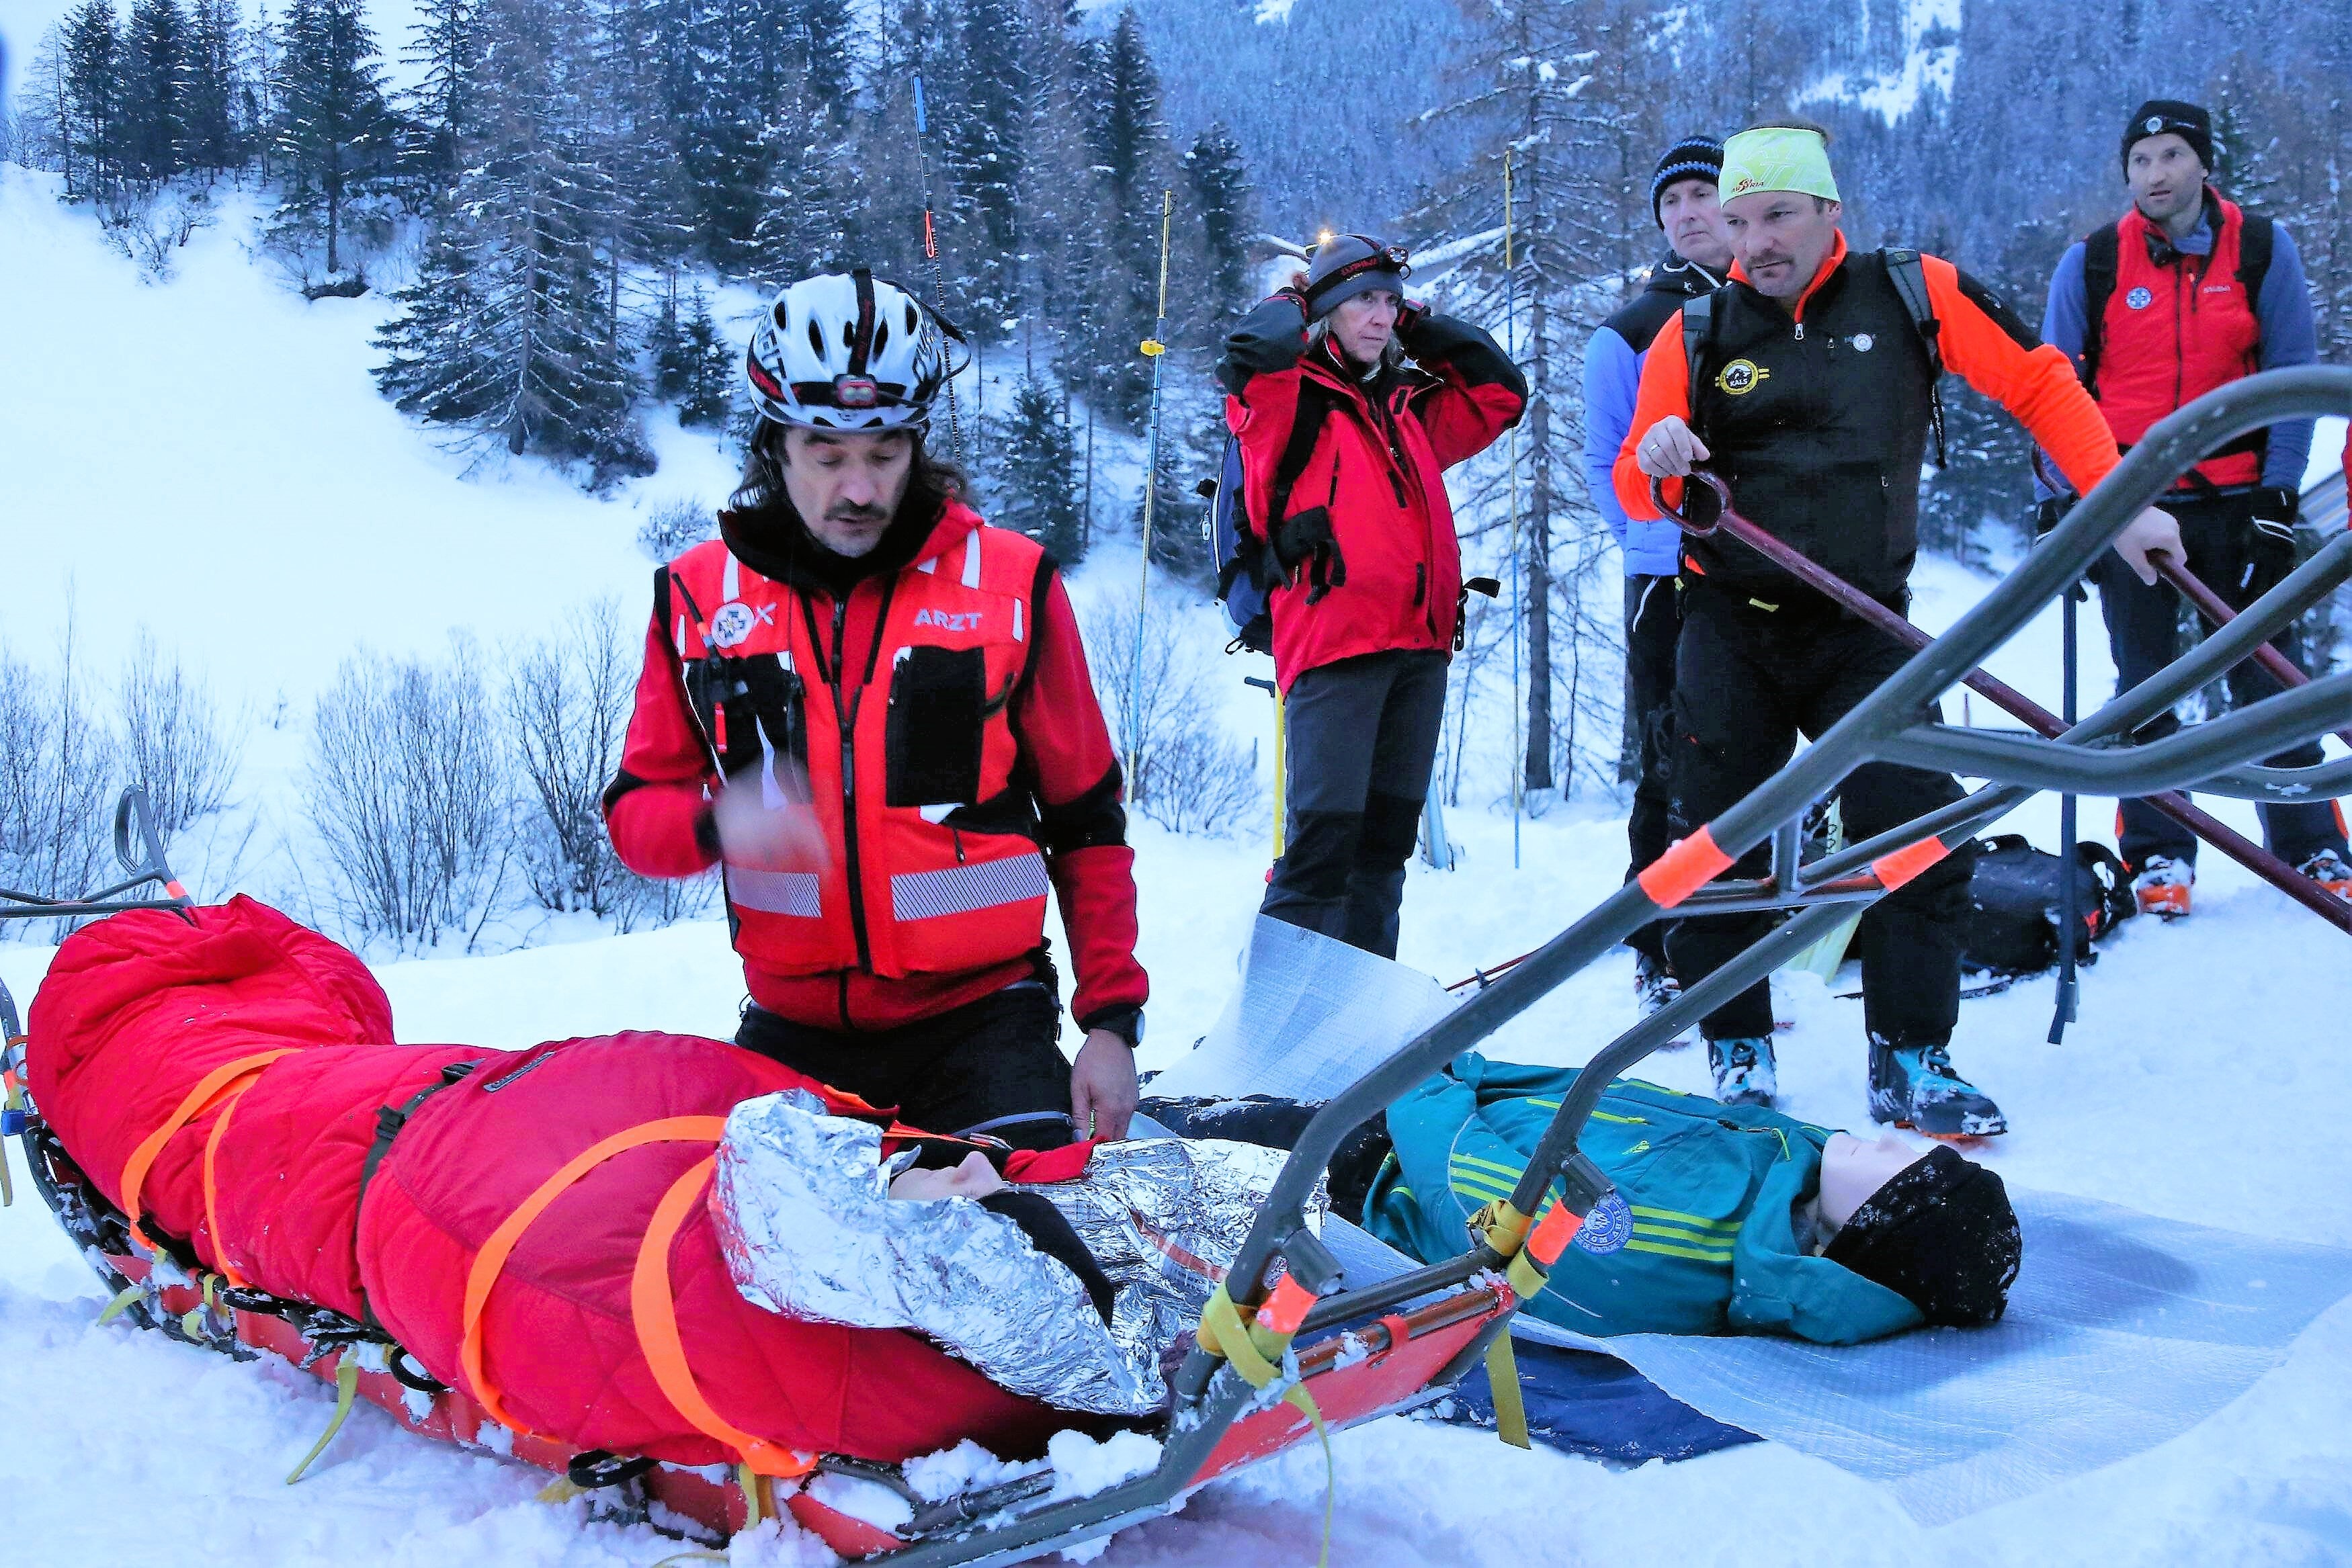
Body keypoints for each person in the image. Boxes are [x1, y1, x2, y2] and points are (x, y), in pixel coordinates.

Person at [1613, 122, 2184, 1137]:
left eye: (1779, 215)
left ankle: (1912, 1054)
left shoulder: (1912, 294)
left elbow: (2041, 381)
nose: (1756, 243)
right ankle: (1735, 1041)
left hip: (1863, 621)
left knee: (1916, 827)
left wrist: (2121, 500)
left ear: (1831, 211)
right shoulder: (1695, 334)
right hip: (1730, 622)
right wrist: (1659, 456)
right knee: (1714, 838)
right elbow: (1637, 481)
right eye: (1738, 222)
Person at [603, 269, 1147, 1150]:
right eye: (826, 451)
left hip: (985, 1023)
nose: (857, 487)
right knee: (741, 1272)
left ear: (919, 442)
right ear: (774, 444)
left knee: (1022, 1249)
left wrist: (1112, 1022)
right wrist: (716, 824)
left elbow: (1088, 820)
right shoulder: (697, 599)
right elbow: (634, 814)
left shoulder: (1012, 584)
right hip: (792, 1036)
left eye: (884, 451)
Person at [2037, 99, 2351, 917]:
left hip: (2240, 502)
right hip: (2130, 505)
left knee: (2267, 680)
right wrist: (2059, 501)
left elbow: (2292, 369)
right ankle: (2157, 853)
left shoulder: (2257, 249)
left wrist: (2280, 495)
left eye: (2172, 155)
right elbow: (2054, 387)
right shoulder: (2094, 262)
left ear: (2203, 164)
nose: (2155, 174)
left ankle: (2311, 842)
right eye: (2139, 161)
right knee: (2143, 686)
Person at [1217, 236, 1527, 959]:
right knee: (1321, 852)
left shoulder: (1407, 405)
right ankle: (1273, 1038)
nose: (1380, 316)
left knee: (1383, 854)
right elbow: (1250, 348)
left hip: (1418, 651)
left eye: (1389, 302)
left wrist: (1413, 320)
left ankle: (1357, 1029)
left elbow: (1500, 393)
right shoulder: (1283, 401)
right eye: (1364, 301)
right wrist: (1308, 293)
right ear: (1322, 313)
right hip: (1333, 647)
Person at [1359, 1053, 2022, 1342]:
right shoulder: (1790, 1158)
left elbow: (1477, 1201)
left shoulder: (1687, 1241)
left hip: (1375, 1173)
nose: (1884, 1146)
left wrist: (1424, 1076)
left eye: (1900, 1173)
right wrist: (1463, 1068)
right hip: (1429, 1102)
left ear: (1862, 1237)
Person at [1581, 134, 1734, 1023]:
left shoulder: (1775, 309)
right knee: (1668, 755)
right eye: (1670, 203)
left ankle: (1742, 930)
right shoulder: (1631, 327)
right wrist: (1656, 543)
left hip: (1768, 568)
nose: (1685, 213)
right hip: (1666, 573)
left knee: (1751, 758)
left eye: (1701, 195)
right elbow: (1606, 460)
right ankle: (1657, 943)